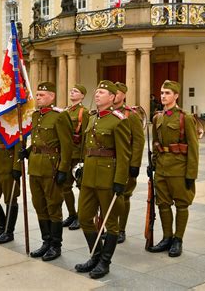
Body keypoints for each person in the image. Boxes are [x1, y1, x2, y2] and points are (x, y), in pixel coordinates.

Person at [75, 80, 131, 279]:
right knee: (84, 217)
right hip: (89, 176)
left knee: (111, 223)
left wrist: (120, 181)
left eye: (102, 92)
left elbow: (124, 154)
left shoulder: (118, 120)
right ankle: (95, 255)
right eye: (96, 91)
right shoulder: (92, 118)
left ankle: (104, 262)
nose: (97, 95)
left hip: (108, 177)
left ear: (112, 97)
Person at [19, 82, 74, 261]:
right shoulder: (36, 116)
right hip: (35, 167)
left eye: (42, 95)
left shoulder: (60, 116)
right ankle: (46, 241)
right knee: (39, 205)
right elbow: (37, 141)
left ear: (52, 97)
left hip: (51, 167)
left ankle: (55, 246)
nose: (38, 97)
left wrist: (63, 169)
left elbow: (67, 145)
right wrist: (26, 152)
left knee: (53, 206)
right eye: (38, 94)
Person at [148, 80, 199, 257]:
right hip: (161, 168)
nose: (163, 96)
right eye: (162, 93)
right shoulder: (157, 117)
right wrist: (153, 164)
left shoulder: (185, 117)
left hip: (179, 168)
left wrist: (191, 173)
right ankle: (166, 237)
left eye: (167, 93)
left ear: (176, 96)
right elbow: (156, 143)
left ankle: (178, 239)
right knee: (162, 204)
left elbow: (193, 147)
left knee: (181, 205)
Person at [114, 82, 145, 243]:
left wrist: (135, 165)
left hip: (125, 162)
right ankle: (111, 228)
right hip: (109, 162)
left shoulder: (131, 115)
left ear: (124, 95)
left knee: (124, 196)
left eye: (118, 93)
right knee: (109, 196)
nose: (115, 95)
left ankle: (121, 229)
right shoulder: (105, 113)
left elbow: (139, 141)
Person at [61, 84, 89, 231]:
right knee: (65, 186)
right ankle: (72, 214)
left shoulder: (83, 112)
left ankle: (80, 216)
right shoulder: (65, 111)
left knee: (81, 187)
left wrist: (84, 159)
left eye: (76, 91)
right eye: (71, 90)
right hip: (66, 155)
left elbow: (86, 136)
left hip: (77, 156)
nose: (72, 92)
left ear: (82, 96)